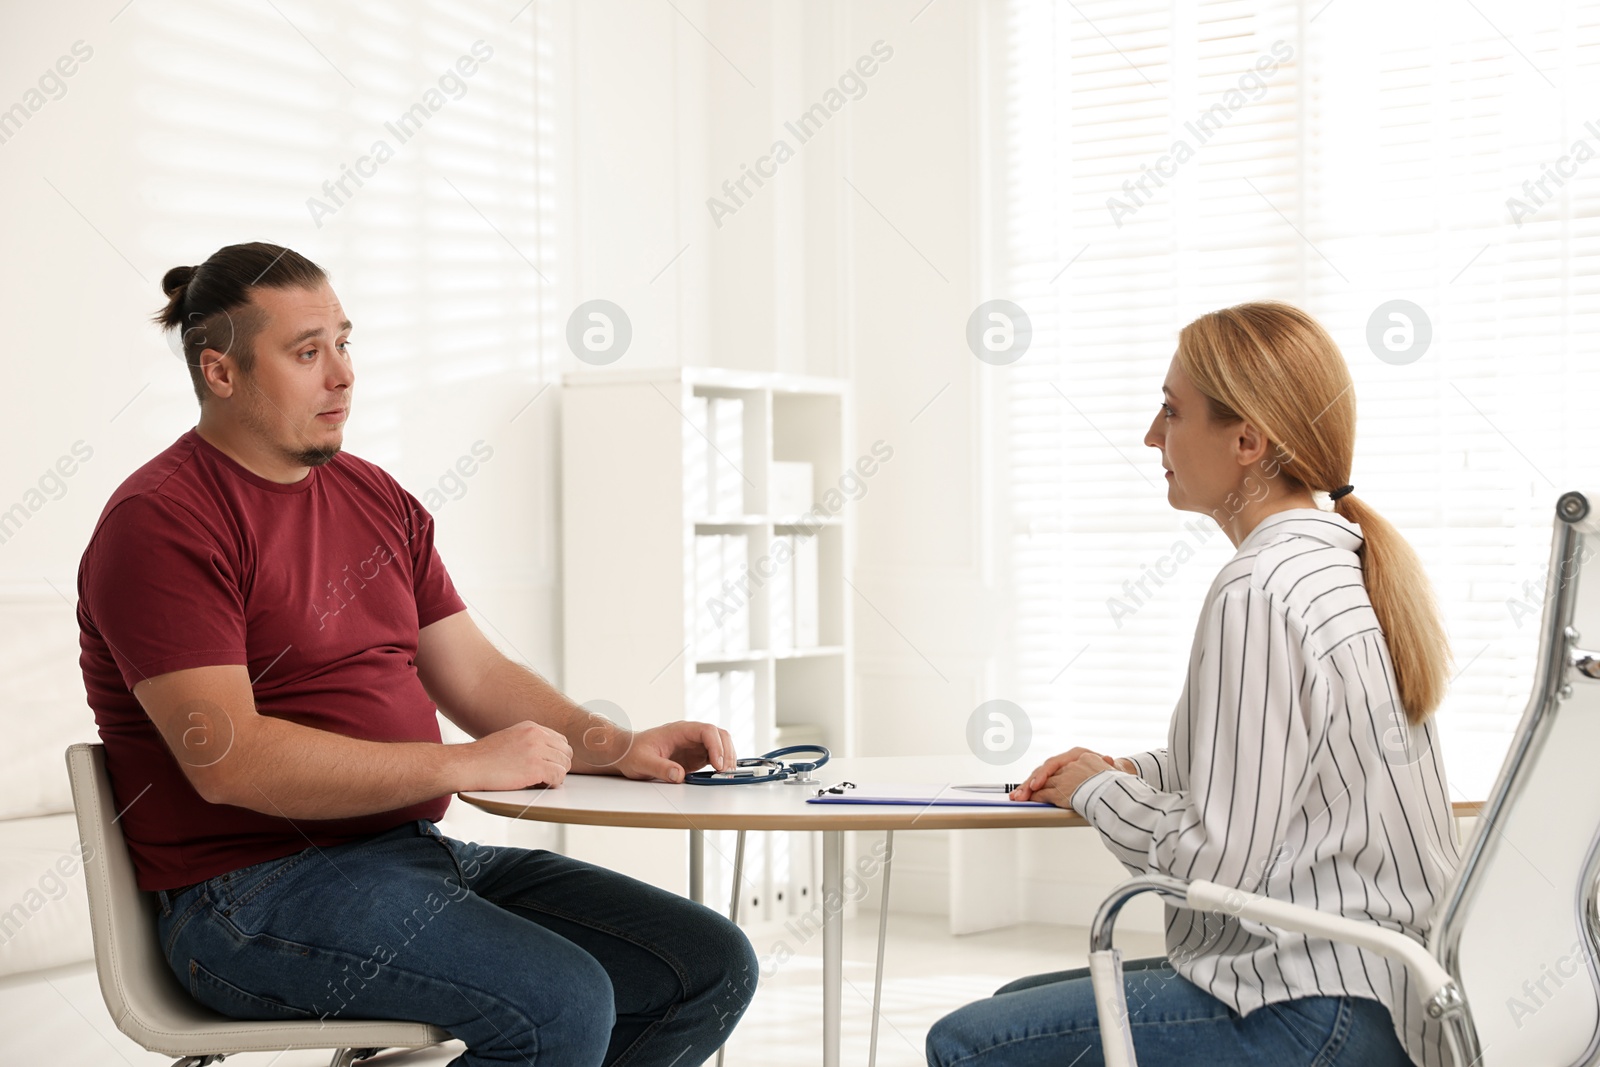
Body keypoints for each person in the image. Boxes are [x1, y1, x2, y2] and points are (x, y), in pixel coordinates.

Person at [77, 242, 758, 1067]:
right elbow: (231, 760)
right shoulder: (163, 522)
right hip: (248, 896)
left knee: (705, 965)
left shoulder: (374, 498)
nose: (342, 375)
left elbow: (475, 674)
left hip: (407, 858)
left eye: (343, 342)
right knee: (562, 1003)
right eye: (306, 352)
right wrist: (463, 764)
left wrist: (618, 747)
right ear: (220, 373)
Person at [926, 302, 1460, 1067]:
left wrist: (1095, 793)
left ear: (1248, 440)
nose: (1152, 436)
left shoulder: (1260, 588)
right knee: (1013, 1007)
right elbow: (1282, 761)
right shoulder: (1336, 562)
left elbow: (1215, 864)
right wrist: (1135, 770)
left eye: (1172, 412)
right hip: (1387, 992)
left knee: (970, 1045)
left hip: (1315, 1010)